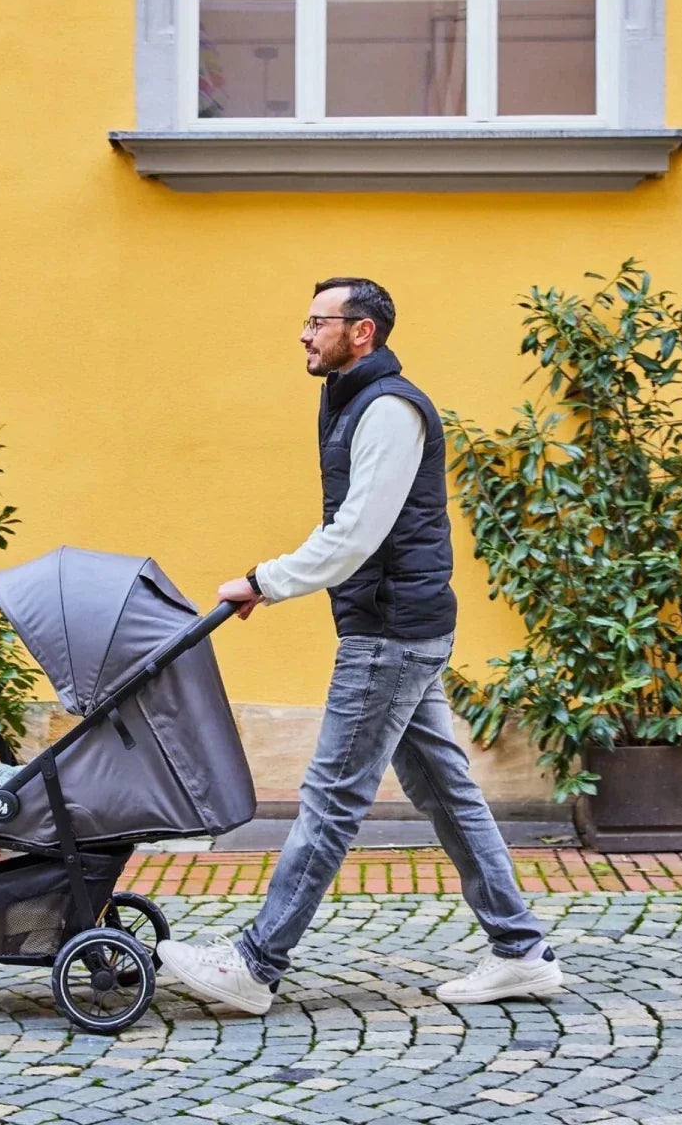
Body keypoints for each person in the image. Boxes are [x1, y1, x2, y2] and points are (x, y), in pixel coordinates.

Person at [156, 277, 563, 1016]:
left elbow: (355, 535)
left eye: (318, 322)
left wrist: (262, 581)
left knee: (332, 797)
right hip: (399, 626)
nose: (305, 334)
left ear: (362, 332)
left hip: (390, 635)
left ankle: (256, 963)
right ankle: (521, 950)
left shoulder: (387, 410)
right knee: (445, 790)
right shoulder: (350, 401)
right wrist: (270, 585)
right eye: (306, 321)